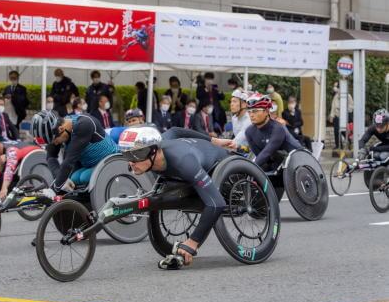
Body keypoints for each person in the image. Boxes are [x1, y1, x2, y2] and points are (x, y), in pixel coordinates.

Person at [119, 126, 230, 266]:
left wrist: (193, 241)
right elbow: (175, 131)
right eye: (127, 156)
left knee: (209, 200)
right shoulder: (156, 142)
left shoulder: (184, 162)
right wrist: (213, 139)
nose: (131, 163)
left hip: (217, 162)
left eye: (135, 156)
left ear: (154, 152)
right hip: (185, 171)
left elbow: (217, 203)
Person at [32, 110, 118, 188]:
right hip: (89, 165)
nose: (55, 144)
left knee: (82, 177)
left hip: (110, 161)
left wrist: (56, 188)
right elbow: (51, 157)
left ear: (61, 129)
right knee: (73, 178)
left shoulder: (83, 124)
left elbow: (69, 161)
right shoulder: (58, 132)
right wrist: (59, 180)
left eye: (55, 141)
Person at [244, 93, 301, 171]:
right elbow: (261, 158)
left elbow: (267, 153)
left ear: (267, 111)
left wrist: (248, 168)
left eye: (255, 111)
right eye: (249, 111)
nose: (251, 115)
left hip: (299, 164)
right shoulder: (249, 132)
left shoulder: (278, 129)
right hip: (278, 166)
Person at [0, 132, 40, 200]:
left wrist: (4, 189)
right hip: (24, 164)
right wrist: (0, 164)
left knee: (6, 181)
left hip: (37, 159)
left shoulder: (11, 151)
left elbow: (9, 171)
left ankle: (35, 196)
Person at [329, 81, 354, 149]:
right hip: (337, 115)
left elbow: (351, 107)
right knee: (336, 131)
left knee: (343, 131)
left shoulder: (348, 96)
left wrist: (344, 109)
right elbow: (333, 107)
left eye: (337, 87)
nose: (335, 89)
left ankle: (349, 141)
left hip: (344, 116)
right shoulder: (336, 96)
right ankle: (338, 145)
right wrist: (332, 116)